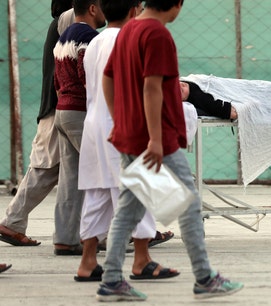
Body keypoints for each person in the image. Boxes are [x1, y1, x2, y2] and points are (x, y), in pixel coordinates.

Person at [97, 0, 243, 301]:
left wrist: (118, 120)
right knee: (187, 205)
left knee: (129, 208)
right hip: (156, 140)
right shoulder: (157, 34)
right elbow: (152, 88)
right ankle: (204, 277)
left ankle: (111, 279)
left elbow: (107, 78)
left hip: (130, 135)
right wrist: (154, 139)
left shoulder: (128, 30)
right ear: (176, 4)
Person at [75, 0, 179, 282]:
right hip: (119, 123)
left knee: (97, 195)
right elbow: (143, 86)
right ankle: (142, 260)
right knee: (135, 190)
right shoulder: (129, 38)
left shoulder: (94, 43)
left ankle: (88, 262)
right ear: (134, 10)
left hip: (94, 125)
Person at [0, 0, 73, 248]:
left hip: (56, 108)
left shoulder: (60, 23)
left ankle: (13, 222)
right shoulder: (70, 19)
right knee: (46, 168)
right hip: (61, 109)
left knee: (49, 169)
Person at [51, 0, 106, 255]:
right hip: (79, 112)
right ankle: (103, 236)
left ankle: (65, 239)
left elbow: (57, 80)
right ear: (93, 9)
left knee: (70, 180)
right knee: (103, 174)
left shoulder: (64, 37)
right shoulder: (88, 35)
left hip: (62, 111)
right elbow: (87, 77)